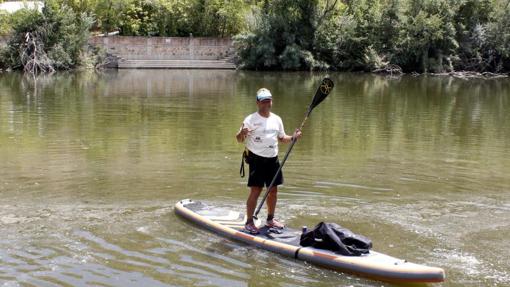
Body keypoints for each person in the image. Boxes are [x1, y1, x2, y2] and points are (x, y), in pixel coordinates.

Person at [235, 88, 302, 234]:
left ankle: (270, 220)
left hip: (273, 159)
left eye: (268, 100)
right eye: (263, 100)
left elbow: (282, 138)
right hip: (256, 159)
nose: (266, 103)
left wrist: (293, 138)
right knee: (256, 190)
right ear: (257, 102)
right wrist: (242, 133)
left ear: (271, 101)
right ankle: (249, 222)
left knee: (273, 190)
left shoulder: (277, 119)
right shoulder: (250, 120)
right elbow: (239, 139)